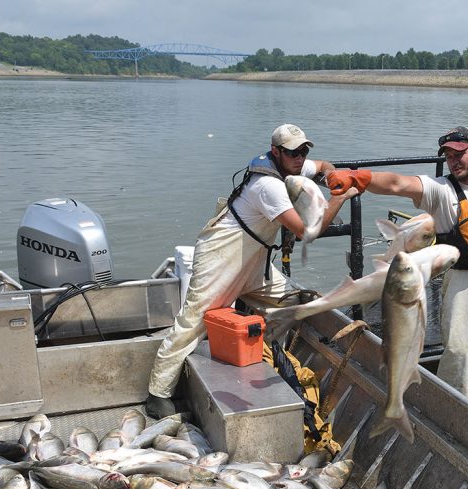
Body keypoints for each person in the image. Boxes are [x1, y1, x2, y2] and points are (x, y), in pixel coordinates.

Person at [324, 126, 468, 465]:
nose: (453, 161)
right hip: (462, 283)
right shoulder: (439, 192)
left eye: (459, 153)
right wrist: (359, 178)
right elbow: (397, 184)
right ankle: (454, 433)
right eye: (448, 156)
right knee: (462, 358)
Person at [145, 124, 355, 419]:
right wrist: (338, 198)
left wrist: (332, 175)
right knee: (194, 321)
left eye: (304, 151)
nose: (300, 157)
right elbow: (307, 231)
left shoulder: (290, 166)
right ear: (276, 152)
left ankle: (260, 351)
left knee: (291, 301)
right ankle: (158, 393)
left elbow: (323, 166)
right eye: (293, 152)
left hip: (255, 259)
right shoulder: (267, 186)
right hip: (221, 255)